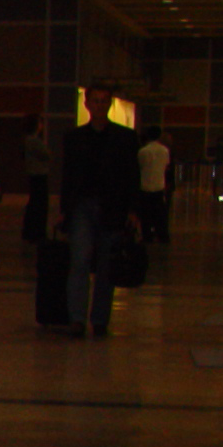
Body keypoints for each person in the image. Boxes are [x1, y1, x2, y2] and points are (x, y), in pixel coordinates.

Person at [58, 82, 140, 341]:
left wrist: (133, 210)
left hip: (112, 207)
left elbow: (132, 176)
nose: (100, 105)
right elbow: (67, 177)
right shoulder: (74, 138)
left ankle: (100, 319)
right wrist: (64, 211)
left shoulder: (125, 138)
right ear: (87, 104)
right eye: (95, 100)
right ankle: (77, 319)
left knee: (106, 265)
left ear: (110, 104)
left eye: (105, 101)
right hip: (82, 205)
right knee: (80, 259)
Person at [21, 113, 52, 248]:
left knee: (34, 204)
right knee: (40, 205)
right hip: (39, 176)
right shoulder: (33, 141)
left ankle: (30, 232)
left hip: (34, 176)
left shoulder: (28, 140)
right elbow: (47, 154)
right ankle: (37, 233)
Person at [136, 125, 171, 244]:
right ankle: (162, 236)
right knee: (160, 215)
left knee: (145, 215)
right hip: (159, 186)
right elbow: (166, 167)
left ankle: (147, 236)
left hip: (145, 187)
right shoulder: (165, 151)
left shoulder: (143, 151)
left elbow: (140, 167)